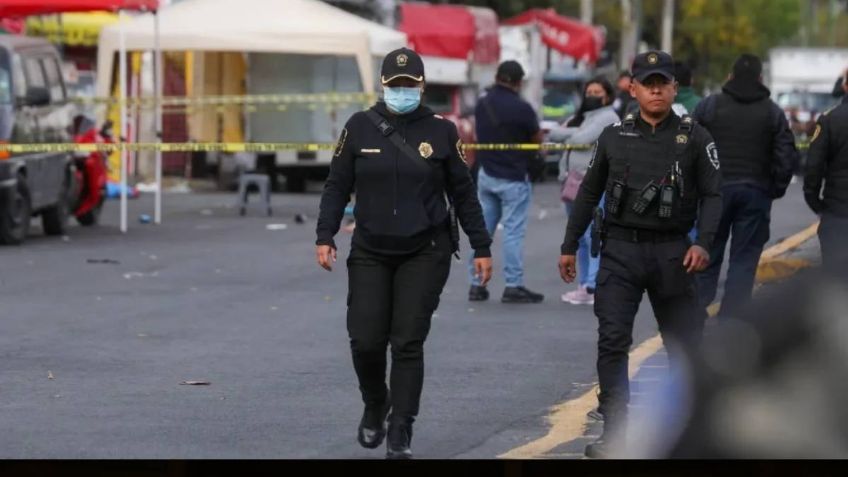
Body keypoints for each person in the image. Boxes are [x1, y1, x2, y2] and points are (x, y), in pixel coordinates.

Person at [315, 47, 493, 459]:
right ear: (382, 85)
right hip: (371, 249)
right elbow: (336, 184)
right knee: (365, 340)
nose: (402, 91)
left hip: (425, 250)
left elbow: (463, 193)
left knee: (408, 342)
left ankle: (401, 428)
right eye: (395, 85)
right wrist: (325, 235)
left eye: (409, 84)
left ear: (421, 85)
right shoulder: (358, 127)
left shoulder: (442, 131)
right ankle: (376, 403)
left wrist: (481, 246)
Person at [558, 50, 722, 459]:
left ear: (673, 88)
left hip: (672, 254)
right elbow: (588, 192)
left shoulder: (695, 137)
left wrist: (703, 243)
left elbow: (714, 196)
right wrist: (568, 245)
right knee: (612, 341)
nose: (655, 90)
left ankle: (690, 432)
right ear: (632, 87)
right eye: (647, 83)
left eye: (662, 83)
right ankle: (617, 432)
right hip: (620, 252)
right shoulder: (613, 137)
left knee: (684, 343)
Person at [692, 54, 799, 319]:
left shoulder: (710, 106)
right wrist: (774, 187)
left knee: (707, 251)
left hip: (714, 193)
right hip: (755, 192)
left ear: (730, 76)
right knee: (744, 258)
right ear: (761, 79)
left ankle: (696, 309)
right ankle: (732, 317)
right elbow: (786, 156)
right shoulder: (772, 112)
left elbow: (688, 146)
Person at [467, 60, 544, 304]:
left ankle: (476, 285)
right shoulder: (522, 108)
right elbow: (536, 139)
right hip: (513, 177)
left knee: (483, 232)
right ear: (519, 82)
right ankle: (513, 285)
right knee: (512, 232)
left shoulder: (482, 104)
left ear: (498, 77)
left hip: (486, 174)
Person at [547, 76, 619, 305]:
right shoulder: (586, 117)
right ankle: (584, 285)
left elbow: (580, 138)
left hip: (590, 183)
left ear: (607, 96)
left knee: (592, 235)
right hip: (572, 181)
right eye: (589, 92)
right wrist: (571, 134)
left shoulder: (607, 117)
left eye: (597, 92)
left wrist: (570, 134)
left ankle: (591, 286)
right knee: (579, 236)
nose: (592, 96)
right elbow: (555, 134)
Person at [804, 69, 848, 278]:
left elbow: (814, 165)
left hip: (838, 212)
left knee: (835, 282)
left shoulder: (830, 120)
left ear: (845, 86)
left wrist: (815, 202)